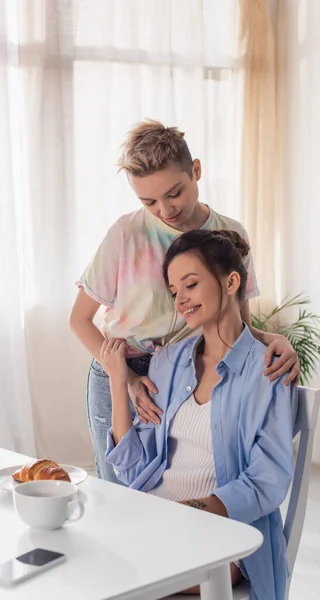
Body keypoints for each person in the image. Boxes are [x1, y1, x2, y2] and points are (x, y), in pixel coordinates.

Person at [69, 120, 299, 484]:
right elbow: (79, 320)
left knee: (175, 481)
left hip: (181, 373)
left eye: (173, 193)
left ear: (196, 171)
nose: (164, 209)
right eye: (148, 201)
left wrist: (275, 340)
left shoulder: (230, 234)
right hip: (119, 368)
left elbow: (239, 324)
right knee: (116, 487)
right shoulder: (125, 233)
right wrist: (126, 377)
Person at [103, 229, 295, 600]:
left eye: (190, 285)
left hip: (227, 535)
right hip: (153, 518)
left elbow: (267, 479)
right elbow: (132, 468)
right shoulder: (169, 362)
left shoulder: (269, 370)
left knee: (118, 575)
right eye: (174, 292)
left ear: (231, 281)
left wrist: (186, 514)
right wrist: (118, 379)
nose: (181, 300)